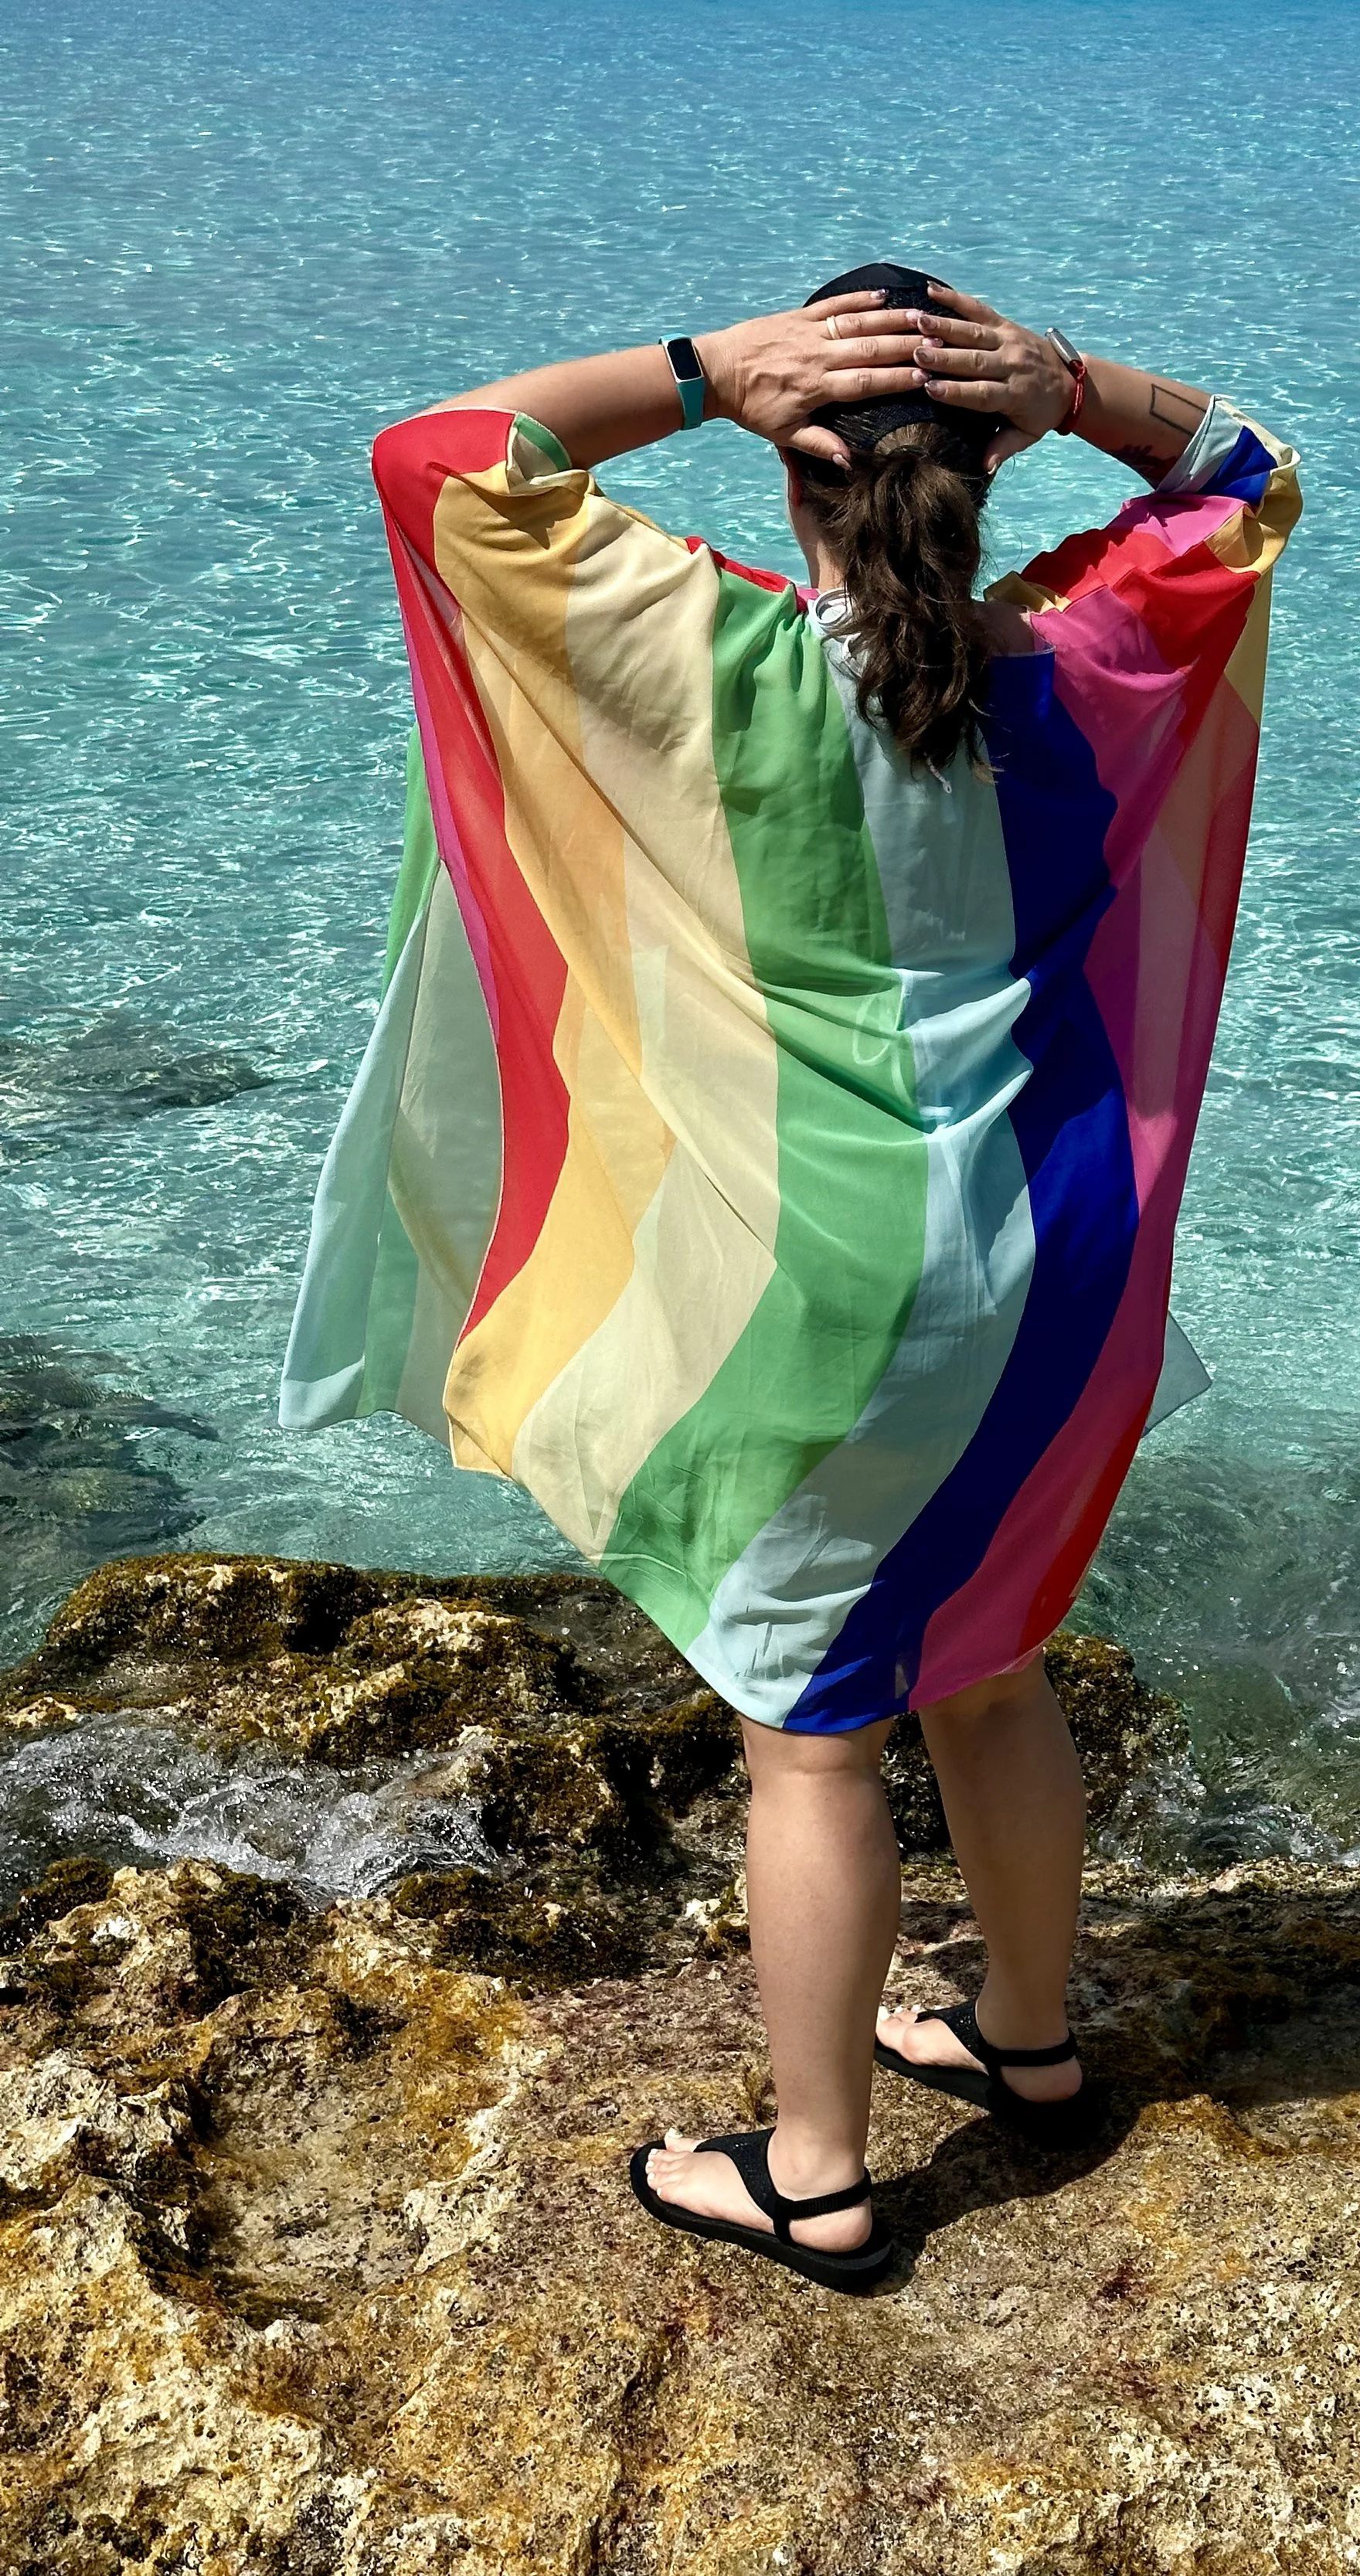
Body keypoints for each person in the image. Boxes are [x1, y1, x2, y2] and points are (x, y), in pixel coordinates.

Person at [280, 261, 1300, 2292]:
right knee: (988, 1654)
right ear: (994, 456)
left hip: (822, 1292)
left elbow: (435, 458)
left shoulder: (713, 662)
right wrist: (1083, 385)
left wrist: (694, 373)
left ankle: (819, 2171)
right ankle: (1023, 2036)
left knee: (810, 1731)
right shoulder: (1084, 668)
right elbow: (1247, 475)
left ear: (795, 458)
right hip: (1058, 1256)